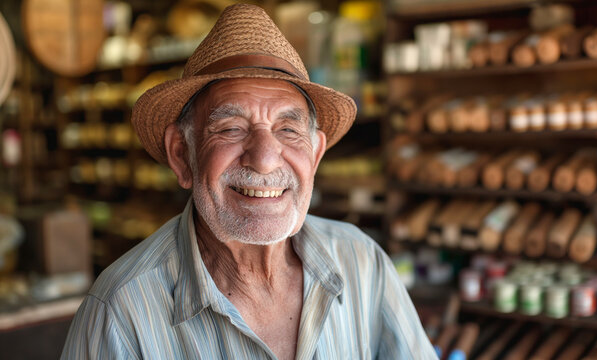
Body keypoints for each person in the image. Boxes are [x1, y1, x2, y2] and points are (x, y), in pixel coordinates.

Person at [62, 4, 438, 359]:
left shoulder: (363, 263)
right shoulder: (120, 312)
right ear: (182, 154)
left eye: (288, 129)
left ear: (315, 154)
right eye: (230, 128)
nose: (264, 158)